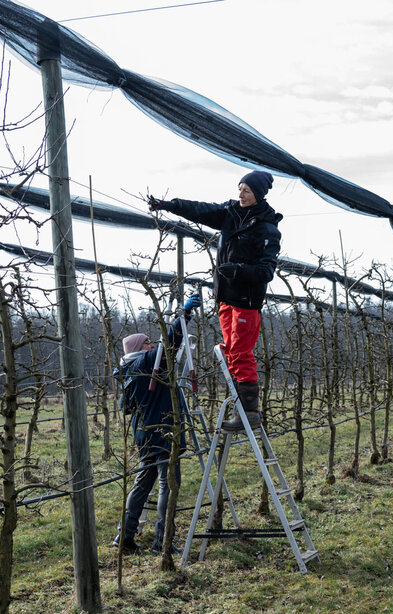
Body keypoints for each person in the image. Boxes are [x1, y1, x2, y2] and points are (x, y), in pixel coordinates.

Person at [148, 170, 282, 431]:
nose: (240, 194)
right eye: (240, 188)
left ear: (259, 194)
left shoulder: (267, 229)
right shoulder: (230, 213)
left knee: (241, 352)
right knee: (232, 352)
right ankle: (241, 408)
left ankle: (250, 412)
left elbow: (266, 271)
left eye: (247, 190)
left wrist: (239, 270)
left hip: (246, 300)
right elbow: (200, 210)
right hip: (225, 297)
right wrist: (169, 206)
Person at [112, 294, 201, 554]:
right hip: (163, 431)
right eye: (149, 343)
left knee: (143, 482)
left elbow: (125, 407)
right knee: (167, 484)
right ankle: (162, 542)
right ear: (140, 348)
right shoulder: (145, 362)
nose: (153, 346)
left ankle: (125, 537)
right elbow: (170, 342)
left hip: (144, 432)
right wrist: (182, 315)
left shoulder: (127, 372)